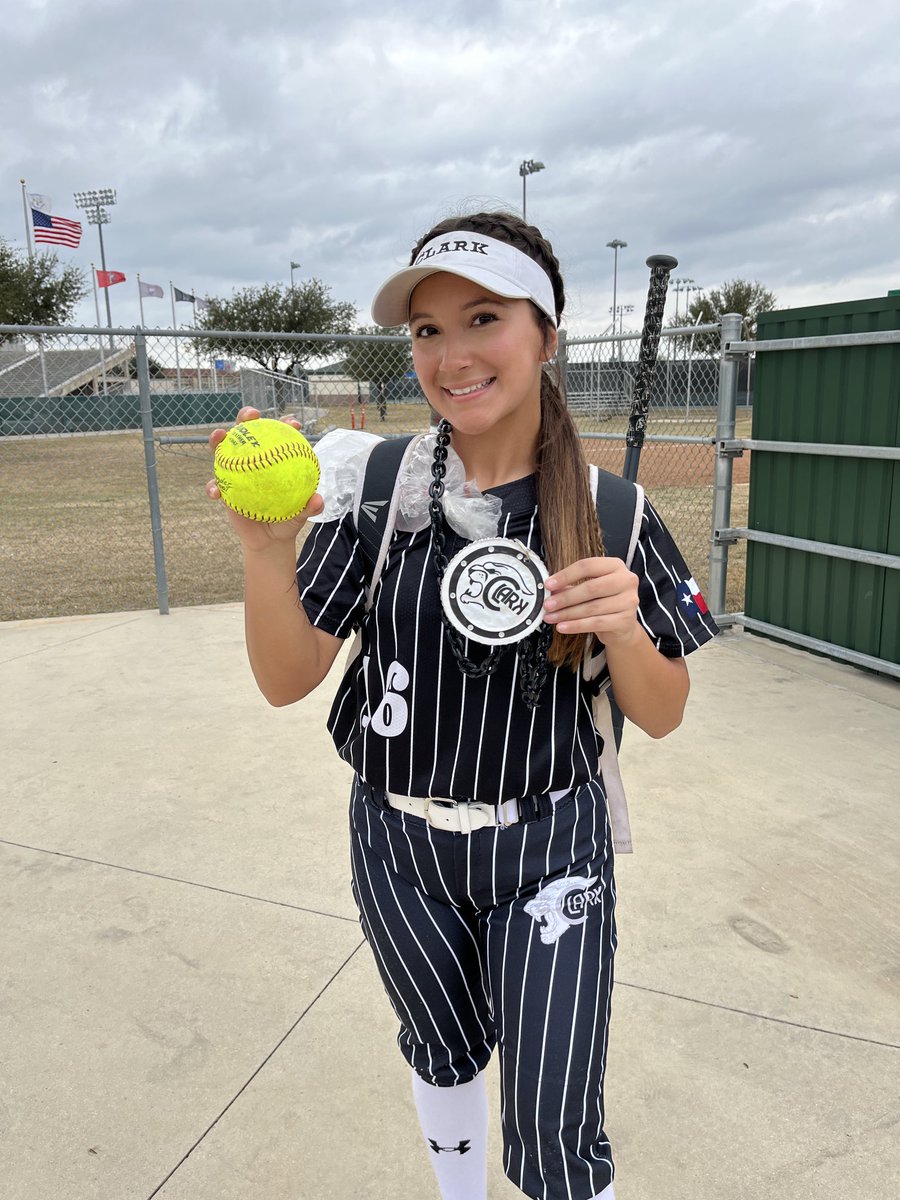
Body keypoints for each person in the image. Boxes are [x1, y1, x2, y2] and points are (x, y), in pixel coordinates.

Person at [207, 211, 719, 1200]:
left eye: (482, 317)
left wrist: (624, 629)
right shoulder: (382, 489)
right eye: (428, 330)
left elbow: (665, 712)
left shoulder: (614, 512)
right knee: (440, 1050)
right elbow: (286, 678)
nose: (451, 354)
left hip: (550, 846)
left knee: (556, 1130)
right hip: (398, 844)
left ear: (545, 337)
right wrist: (265, 555)